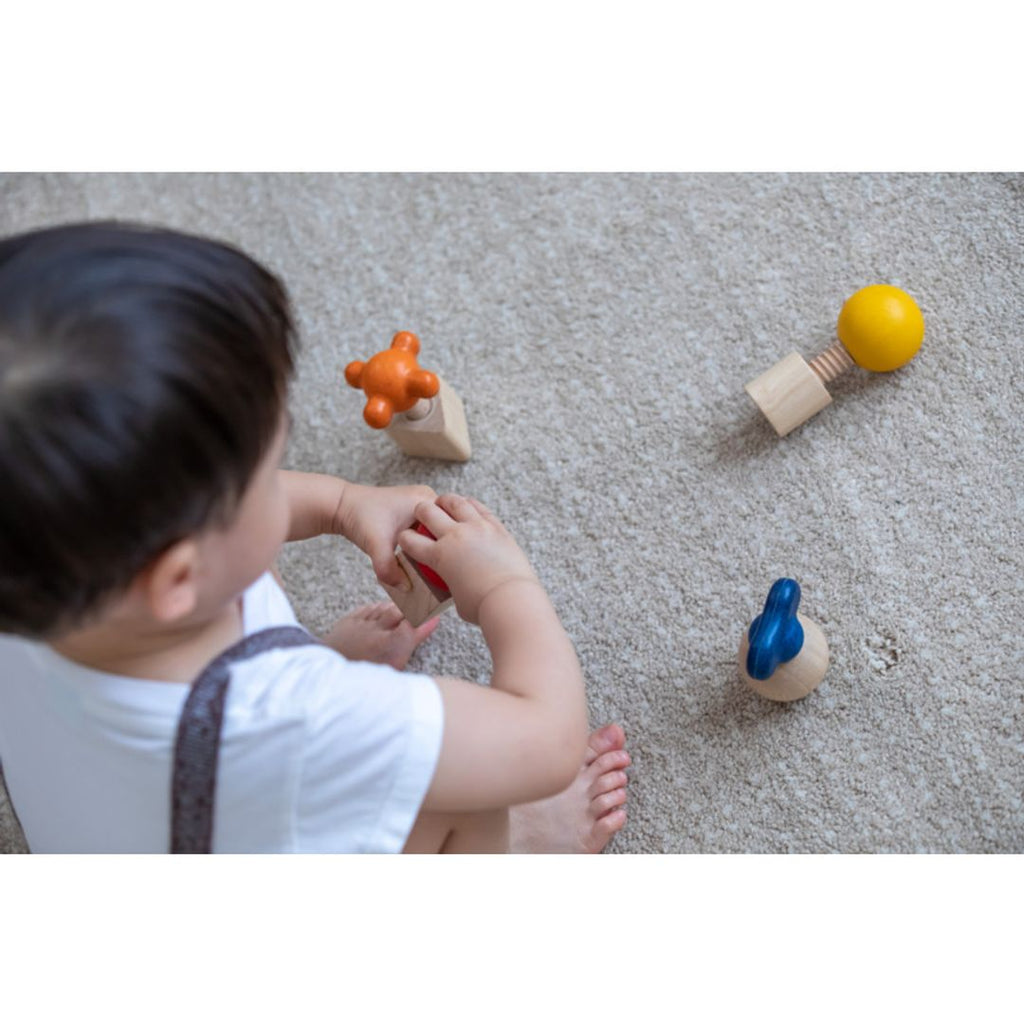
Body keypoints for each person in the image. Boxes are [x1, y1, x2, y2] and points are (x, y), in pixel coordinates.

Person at [0, 221, 630, 853]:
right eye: (268, 476)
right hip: (240, 798)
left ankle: (290, 652)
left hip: (121, 816)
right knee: (467, 796)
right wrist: (502, 586)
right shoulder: (307, 721)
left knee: (248, 563)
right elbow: (544, 742)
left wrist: (342, 505)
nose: (284, 484)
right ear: (179, 578)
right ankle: (520, 846)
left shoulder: (38, 561)